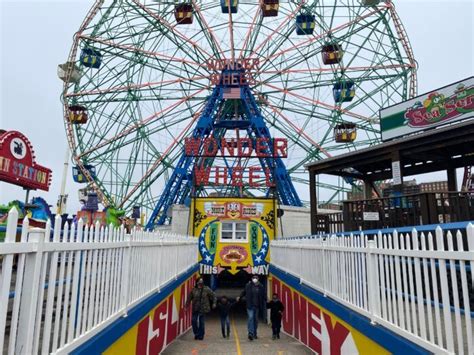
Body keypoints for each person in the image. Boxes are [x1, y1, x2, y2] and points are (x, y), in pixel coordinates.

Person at [237, 275, 265, 341]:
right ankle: (250, 333)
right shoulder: (248, 285)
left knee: (255, 320)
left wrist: (267, 300)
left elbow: (263, 295)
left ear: (258, 279)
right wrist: (240, 297)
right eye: (253, 278)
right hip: (250, 305)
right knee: (250, 318)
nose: (254, 279)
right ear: (252, 279)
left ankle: (255, 333)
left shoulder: (261, 286)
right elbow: (244, 292)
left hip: (257, 306)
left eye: (256, 278)